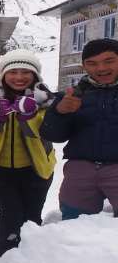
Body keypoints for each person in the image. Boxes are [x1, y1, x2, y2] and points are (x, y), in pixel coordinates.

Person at [0, 49, 56, 263]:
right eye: (13, 72)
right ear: (3, 75)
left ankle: (31, 256)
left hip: (37, 167)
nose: (19, 77)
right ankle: (4, 254)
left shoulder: (46, 100)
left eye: (25, 72)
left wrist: (28, 115)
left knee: (32, 214)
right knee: (9, 212)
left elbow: (46, 131)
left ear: (35, 76)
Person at [40, 38, 118, 220]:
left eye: (109, 60)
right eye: (92, 63)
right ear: (84, 66)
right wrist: (60, 112)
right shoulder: (71, 96)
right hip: (80, 170)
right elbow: (51, 134)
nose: (101, 68)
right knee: (74, 227)